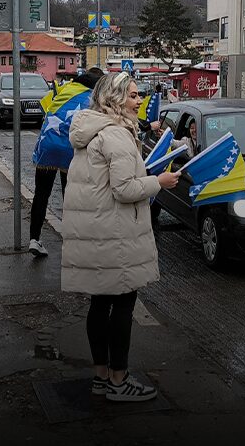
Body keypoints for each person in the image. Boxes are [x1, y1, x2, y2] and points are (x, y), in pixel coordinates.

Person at [62, 72, 181, 402]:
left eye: (137, 94)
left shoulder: (92, 130)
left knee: (100, 304)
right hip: (115, 233)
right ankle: (119, 381)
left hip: (97, 231)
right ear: (114, 100)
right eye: (131, 96)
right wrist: (160, 181)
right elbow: (126, 189)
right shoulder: (116, 135)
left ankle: (101, 377)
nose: (138, 100)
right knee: (123, 305)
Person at [27, 67, 105, 257]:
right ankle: (72, 241)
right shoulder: (94, 96)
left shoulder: (66, 89)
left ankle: (34, 239)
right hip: (69, 148)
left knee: (41, 194)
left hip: (47, 143)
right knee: (69, 196)